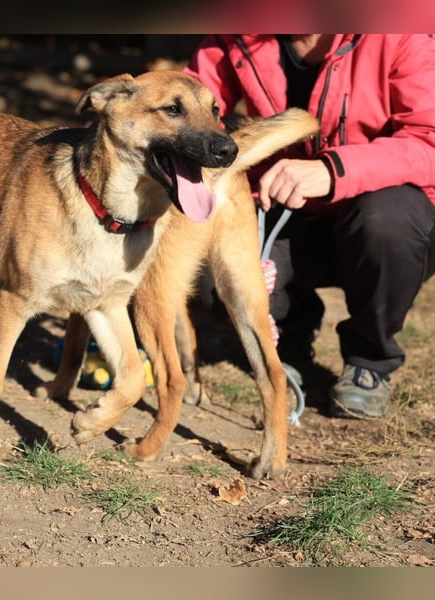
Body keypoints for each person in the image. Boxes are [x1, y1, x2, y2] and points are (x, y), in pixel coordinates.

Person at [183, 34, 435, 419]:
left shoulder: (401, 32)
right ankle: (289, 333)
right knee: (210, 275)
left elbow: (428, 141)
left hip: (384, 216)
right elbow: (187, 106)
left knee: (385, 221)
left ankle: (369, 358)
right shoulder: (235, 34)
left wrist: (332, 171)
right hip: (286, 209)